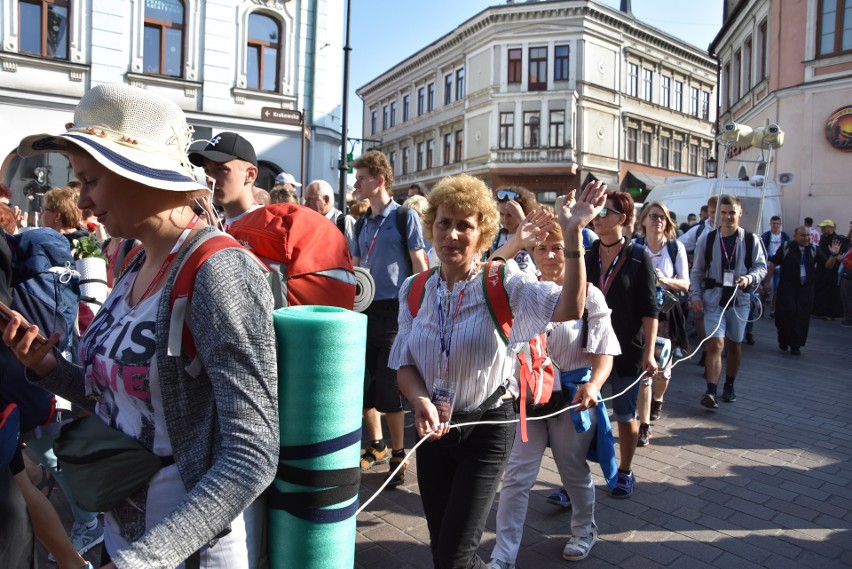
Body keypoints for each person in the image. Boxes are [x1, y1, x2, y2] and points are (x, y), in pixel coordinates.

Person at [4, 83, 278, 567]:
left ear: (139, 174)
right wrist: (47, 365)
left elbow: (252, 453)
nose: (82, 201)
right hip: (124, 538)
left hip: (187, 555)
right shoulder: (135, 261)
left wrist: (147, 559)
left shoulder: (219, 270)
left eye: (90, 180)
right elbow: (119, 400)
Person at [390, 174, 605, 569]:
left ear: (483, 232)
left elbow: (569, 308)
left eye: (464, 225)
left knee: (456, 555)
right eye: (444, 222)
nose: (452, 234)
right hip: (433, 430)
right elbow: (403, 362)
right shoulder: (414, 289)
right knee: (441, 548)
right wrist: (420, 401)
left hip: (487, 428)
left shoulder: (502, 281)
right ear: (431, 225)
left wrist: (573, 235)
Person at [487, 218, 620, 568]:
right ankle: (503, 555)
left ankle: (583, 529)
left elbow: (604, 352)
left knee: (572, 469)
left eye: (557, 248)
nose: (548, 255)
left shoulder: (589, 294)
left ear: (572, 251)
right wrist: (517, 238)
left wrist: (593, 385)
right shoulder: (524, 289)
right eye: (541, 248)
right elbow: (491, 271)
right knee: (517, 476)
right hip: (528, 398)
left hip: (572, 399)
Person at [351, 150, 428, 488]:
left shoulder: (403, 217)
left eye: (362, 177)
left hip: (395, 311)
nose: (356, 183)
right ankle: (378, 445)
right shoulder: (360, 222)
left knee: (388, 384)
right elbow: (354, 268)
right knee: (363, 383)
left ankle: (400, 452)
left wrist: (421, 309)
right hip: (364, 309)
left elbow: (420, 265)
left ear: (379, 181)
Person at [586, 191, 658, 498]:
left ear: (623, 219)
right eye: (597, 213)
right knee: (584, 414)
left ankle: (625, 471)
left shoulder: (640, 256)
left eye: (605, 212)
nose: (598, 218)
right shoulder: (589, 252)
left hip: (628, 349)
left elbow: (650, 308)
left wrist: (650, 354)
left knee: (626, 414)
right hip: (591, 348)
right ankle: (575, 478)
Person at [689, 194, 766, 408]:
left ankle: (729, 385)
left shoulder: (751, 240)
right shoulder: (708, 239)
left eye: (732, 213)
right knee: (716, 343)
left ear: (740, 213)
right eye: (723, 213)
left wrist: (749, 278)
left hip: (739, 300)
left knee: (734, 344)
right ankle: (711, 391)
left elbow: (761, 267)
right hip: (714, 300)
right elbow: (697, 272)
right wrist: (695, 296)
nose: (727, 217)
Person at [633, 202, 689, 446]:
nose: (658, 220)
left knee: (662, 373)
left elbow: (686, 284)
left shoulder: (675, 249)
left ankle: (658, 399)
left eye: (663, 217)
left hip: (665, 316)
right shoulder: (634, 247)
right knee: (645, 372)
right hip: (639, 317)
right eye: (653, 216)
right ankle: (644, 425)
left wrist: (664, 280)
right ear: (643, 220)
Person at [765, 226, 831, 355]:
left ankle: (796, 345)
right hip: (788, 286)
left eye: (808, 235)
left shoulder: (813, 249)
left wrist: (834, 255)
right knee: (786, 312)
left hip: (805, 288)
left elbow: (827, 265)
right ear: (795, 236)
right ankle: (783, 340)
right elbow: (773, 263)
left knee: (801, 316)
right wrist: (767, 281)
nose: (806, 238)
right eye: (803, 235)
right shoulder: (787, 247)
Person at [188, 131, 262, 229]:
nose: (210, 179)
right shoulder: (218, 227)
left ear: (250, 174)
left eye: (221, 169)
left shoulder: (269, 226)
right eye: (207, 170)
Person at [490, 186, 539, 277]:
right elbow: (490, 267)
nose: (505, 219)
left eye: (510, 215)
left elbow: (538, 260)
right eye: (501, 214)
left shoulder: (533, 232)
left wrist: (522, 220)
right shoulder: (496, 237)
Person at [304, 179, 356, 253]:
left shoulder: (345, 222)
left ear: (326, 200)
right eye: (305, 200)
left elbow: (355, 257)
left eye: (310, 199)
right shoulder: (308, 223)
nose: (305, 204)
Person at [812, 220, 849, 319]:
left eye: (825, 227)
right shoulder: (823, 238)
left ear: (831, 228)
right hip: (821, 269)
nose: (822, 229)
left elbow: (843, 252)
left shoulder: (836, 239)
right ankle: (819, 312)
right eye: (822, 227)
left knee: (830, 292)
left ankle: (829, 313)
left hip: (832, 270)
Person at [761, 216, 790, 317]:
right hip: (768, 265)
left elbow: (788, 249)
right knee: (766, 288)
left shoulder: (785, 236)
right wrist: (771, 258)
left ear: (780, 224)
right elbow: (762, 250)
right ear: (770, 224)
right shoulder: (766, 236)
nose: (776, 225)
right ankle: (762, 304)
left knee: (777, 289)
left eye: (778, 223)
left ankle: (773, 310)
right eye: (774, 223)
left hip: (779, 266)